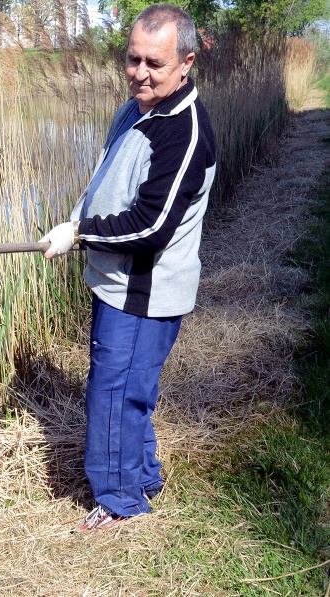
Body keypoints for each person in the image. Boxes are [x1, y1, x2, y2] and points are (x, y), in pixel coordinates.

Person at [39, 4, 216, 532]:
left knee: (114, 393)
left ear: (186, 63)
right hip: (117, 282)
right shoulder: (137, 108)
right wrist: (76, 220)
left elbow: (151, 225)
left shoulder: (183, 132)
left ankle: (119, 504)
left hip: (143, 291)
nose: (139, 72)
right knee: (125, 388)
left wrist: (81, 235)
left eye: (153, 63)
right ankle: (142, 478)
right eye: (132, 58)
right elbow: (108, 179)